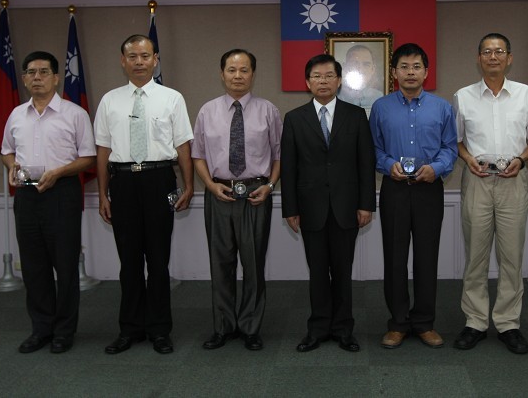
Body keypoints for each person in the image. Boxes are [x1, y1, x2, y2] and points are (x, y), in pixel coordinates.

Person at [95, 34, 194, 355]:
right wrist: (102, 194)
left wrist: (190, 186)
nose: (139, 62)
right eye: (132, 56)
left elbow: (183, 146)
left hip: (159, 180)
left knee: (158, 260)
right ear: (123, 61)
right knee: (129, 262)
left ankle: (160, 330)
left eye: (145, 56)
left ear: (156, 60)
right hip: (122, 183)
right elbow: (102, 151)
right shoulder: (110, 100)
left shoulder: (172, 98)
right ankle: (130, 329)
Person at [452, 33, 528, 355]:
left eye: (499, 52)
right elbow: (457, 140)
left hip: (513, 182)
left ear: (509, 58)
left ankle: (508, 323)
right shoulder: (463, 96)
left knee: (511, 257)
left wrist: (521, 160)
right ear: (478, 58)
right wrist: (467, 160)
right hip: (477, 182)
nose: (493, 57)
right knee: (476, 257)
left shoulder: (525, 94)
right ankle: (475, 322)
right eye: (486, 52)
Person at [1, 51, 96, 354]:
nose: (37, 77)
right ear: (25, 78)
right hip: (27, 195)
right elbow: (6, 150)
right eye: (31, 72)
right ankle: (41, 329)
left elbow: (88, 157)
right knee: (33, 266)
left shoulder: (74, 113)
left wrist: (59, 173)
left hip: (62, 192)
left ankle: (63, 331)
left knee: (65, 265)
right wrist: (11, 165)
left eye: (44, 71)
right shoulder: (16, 114)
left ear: (56, 77)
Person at [281, 54, 376, 353]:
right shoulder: (294, 118)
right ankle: (318, 328)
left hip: (347, 206)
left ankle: (344, 329)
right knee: (318, 272)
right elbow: (289, 167)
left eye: (329, 76)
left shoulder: (356, 115)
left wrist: (366, 204)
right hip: (310, 209)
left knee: (343, 272)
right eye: (317, 76)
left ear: (339, 80)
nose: (323, 81)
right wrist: (290, 209)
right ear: (307, 82)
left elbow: (365, 163)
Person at [369, 43, 458, 349]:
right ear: (394, 72)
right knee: (394, 259)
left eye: (416, 66)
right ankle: (397, 323)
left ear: (426, 72)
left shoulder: (442, 108)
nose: (410, 72)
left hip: (428, 189)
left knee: (426, 258)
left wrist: (437, 168)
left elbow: (450, 148)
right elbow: (374, 148)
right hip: (394, 189)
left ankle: (423, 322)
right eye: (404, 67)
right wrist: (385, 164)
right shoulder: (381, 107)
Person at [192, 49, 281, 351]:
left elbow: (280, 156)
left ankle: (250, 327)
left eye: (244, 70)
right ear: (222, 73)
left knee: (254, 264)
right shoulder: (207, 111)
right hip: (219, 194)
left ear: (253, 74)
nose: (238, 76)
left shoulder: (268, 110)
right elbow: (198, 156)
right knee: (221, 264)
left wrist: (269, 185)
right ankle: (223, 326)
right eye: (232, 70)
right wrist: (209, 185)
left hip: (256, 193)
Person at [338, 44, 384, 110]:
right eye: (354, 63)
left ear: (373, 69)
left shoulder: (379, 97)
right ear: (345, 67)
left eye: (366, 64)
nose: (360, 69)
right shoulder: (335, 96)